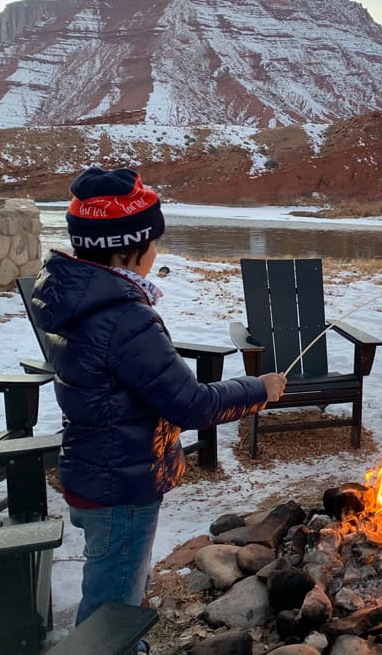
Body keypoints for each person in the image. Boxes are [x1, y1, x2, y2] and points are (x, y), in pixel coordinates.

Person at [29, 166, 286, 647]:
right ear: (128, 248)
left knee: (116, 584)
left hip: (97, 471)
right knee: (112, 605)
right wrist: (259, 389)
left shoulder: (80, 301)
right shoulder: (123, 318)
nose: (156, 253)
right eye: (153, 244)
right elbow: (188, 404)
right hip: (121, 486)